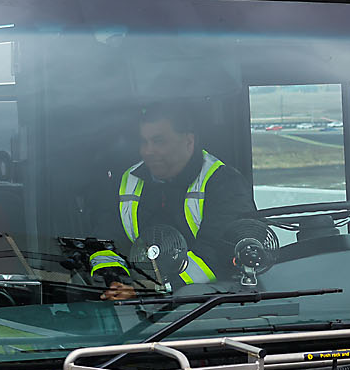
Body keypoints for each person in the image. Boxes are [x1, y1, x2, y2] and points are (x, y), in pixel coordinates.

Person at [89, 102, 259, 299]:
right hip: (134, 305)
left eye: (159, 141)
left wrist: (151, 288)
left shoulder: (225, 183)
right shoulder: (125, 181)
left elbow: (215, 254)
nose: (147, 151)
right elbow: (105, 242)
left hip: (206, 307)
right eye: (144, 142)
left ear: (188, 141)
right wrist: (115, 281)